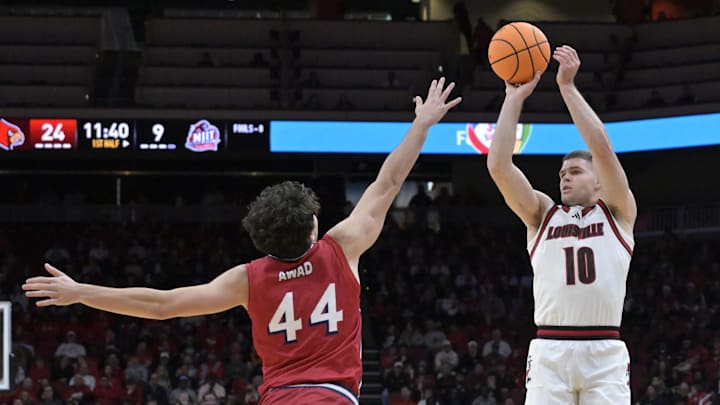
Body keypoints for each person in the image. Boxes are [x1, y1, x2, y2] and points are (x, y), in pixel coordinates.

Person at [23, 78, 462, 405]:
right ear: (313, 229)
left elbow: (161, 305)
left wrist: (80, 292)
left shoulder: (247, 279)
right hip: (331, 397)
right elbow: (388, 183)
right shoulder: (341, 246)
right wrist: (422, 124)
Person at [486, 45, 636, 404]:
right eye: (561, 174)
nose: (564, 179)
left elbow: (601, 147)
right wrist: (513, 99)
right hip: (550, 349)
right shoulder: (542, 214)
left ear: (598, 181)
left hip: (605, 351)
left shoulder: (617, 211)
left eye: (574, 172)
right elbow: (499, 167)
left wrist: (567, 87)